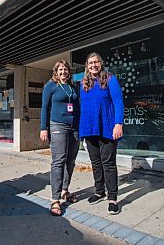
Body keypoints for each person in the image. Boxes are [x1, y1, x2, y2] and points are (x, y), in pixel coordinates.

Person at [79, 52, 124, 215]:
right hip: (89, 128)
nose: (93, 65)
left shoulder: (110, 79)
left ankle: (113, 198)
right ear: (87, 66)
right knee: (96, 163)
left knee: (108, 164)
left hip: (107, 127)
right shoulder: (84, 83)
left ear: (101, 63)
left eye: (96, 62)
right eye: (90, 63)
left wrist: (118, 123)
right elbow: (82, 106)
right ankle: (99, 191)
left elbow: (118, 101)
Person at [40, 60, 80, 216]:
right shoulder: (50, 86)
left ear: (69, 71)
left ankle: (65, 190)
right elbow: (44, 107)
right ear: (55, 72)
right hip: (57, 126)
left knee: (71, 160)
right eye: (60, 69)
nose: (63, 72)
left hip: (74, 127)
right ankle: (55, 199)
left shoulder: (72, 87)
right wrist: (44, 128)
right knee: (58, 161)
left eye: (65, 69)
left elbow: (78, 107)